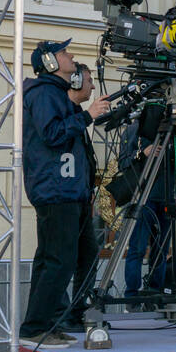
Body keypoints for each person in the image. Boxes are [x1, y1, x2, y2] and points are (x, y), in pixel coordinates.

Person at [20, 39, 111, 347]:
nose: (70, 55)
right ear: (49, 62)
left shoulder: (53, 94)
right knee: (57, 260)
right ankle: (35, 327)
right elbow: (54, 135)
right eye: (63, 53)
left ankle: (46, 322)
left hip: (66, 190)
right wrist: (87, 116)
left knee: (61, 258)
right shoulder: (44, 93)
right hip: (56, 190)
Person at [61, 62, 101, 331]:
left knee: (88, 254)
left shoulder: (74, 112)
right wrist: (89, 115)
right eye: (88, 80)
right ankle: (61, 313)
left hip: (82, 197)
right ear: (74, 82)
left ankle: (77, 310)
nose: (92, 85)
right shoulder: (65, 112)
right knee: (63, 257)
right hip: (65, 197)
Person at [119, 108, 173, 302]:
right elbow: (123, 163)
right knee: (137, 248)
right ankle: (132, 296)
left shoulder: (173, 131)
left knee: (161, 249)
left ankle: (156, 291)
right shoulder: (134, 129)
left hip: (166, 195)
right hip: (143, 196)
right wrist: (143, 152)